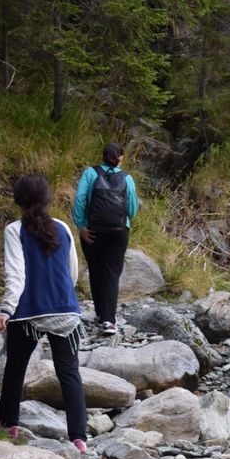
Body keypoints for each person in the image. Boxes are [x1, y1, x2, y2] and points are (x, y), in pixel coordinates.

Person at [0, 174, 88, 454]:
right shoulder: (63, 228)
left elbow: (16, 275)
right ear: (47, 199)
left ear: (17, 200)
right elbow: (72, 272)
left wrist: (6, 309)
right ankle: (79, 438)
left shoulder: (14, 230)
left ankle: (9, 424)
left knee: (15, 367)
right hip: (65, 310)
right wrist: (64, 299)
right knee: (69, 373)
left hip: (28, 312)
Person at [72, 143, 139, 335]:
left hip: (93, 231)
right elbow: (133, 206)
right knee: (111, 274)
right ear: (121, 158)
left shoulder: (90, 173)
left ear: (102, 156)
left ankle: (101, 314)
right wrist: (125, 221)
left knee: (96, 270)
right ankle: (109, 320)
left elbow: (80, 199)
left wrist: (81, 225)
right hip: (118, 232)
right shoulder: (127, 178)